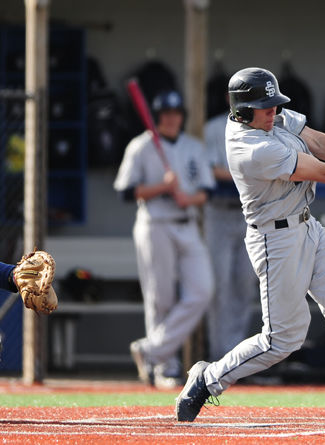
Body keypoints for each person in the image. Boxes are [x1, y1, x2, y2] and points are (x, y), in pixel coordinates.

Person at [175, 67, 325, 425]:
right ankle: (208, 377)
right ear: (242, 111)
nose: (273, 111)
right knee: (283, 339)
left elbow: (320, 142)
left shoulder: (272, 119)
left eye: (274, 104)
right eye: (265, 106)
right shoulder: (251, 148)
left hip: (309, 227)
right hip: (274, 240)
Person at [114, 89, 215, 389]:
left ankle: (150, 350)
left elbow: (207, 191)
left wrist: (188, 198)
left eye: (176, 113)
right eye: (166, 114)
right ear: (157, 117)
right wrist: (162, 186)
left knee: (202, 290)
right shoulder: (141, 146)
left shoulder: (193, 146)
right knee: (161, 297)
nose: (171, 119)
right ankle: (164, 367)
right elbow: (125, 192)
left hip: (186, 224)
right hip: (154, 223)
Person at [203, 109, 258, 360]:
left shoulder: (262, 125)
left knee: (246, 284)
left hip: (250, 213)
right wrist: (249, 176)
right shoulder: (214, 127)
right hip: (219, 211)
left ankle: (237, 355)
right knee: (220, 285)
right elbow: (211, 170)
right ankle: (219, 354)